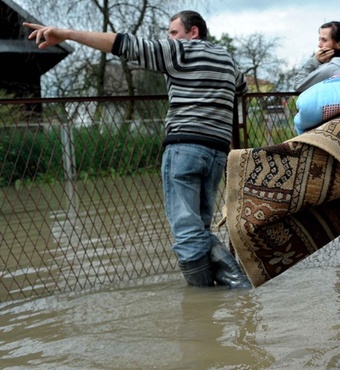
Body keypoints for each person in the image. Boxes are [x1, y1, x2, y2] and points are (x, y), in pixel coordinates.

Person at [24, 10, 252, 289]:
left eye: (173, 32)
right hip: (217, 153)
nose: (170, 38)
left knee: (187, 233)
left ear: (193, 32)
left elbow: (122, 44)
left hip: (184, 149)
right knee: (199, 228)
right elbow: (242, 86)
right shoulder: (226, 59)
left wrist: (67, 34)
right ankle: (222, 297)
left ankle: (223, 292)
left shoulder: (178, 52)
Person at [293, 21, 340, 92]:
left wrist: (315, 61)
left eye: (324, 40)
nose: (319, 45)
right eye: (319, 40)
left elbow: (298, 85)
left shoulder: (331, 68)